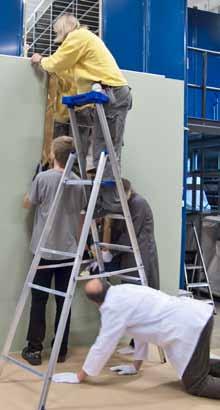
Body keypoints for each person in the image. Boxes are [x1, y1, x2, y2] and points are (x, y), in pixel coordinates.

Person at [31, 14, 132, 215]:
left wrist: (40, 60)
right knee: (101, 151)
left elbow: (56, 63)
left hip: (112, 94)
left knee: (106, 150)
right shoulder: (84, 42)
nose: (57, 37)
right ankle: (101, 201)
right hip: (109, 95)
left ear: (63, 29)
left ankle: (110, 203)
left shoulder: (77, 38)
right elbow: (67, 73)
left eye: (57, 33)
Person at [52, 279, 220, 400]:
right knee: (199, 362)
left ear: (95, 303)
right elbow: (140, 330)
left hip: (189, 327)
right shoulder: (124, 290)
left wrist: (79, 376)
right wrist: (135, 365)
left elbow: (103, 345)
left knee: (197, 383)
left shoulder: (112, 308)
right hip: (197, 313)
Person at [22, 136, 86, 365]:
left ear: (52, 155)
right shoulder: (79, 182)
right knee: (63, 301)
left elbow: (27, 203)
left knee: (38, 300)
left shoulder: (43, 178)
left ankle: (34, 349)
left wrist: (34, 180)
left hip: (44, 250)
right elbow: (80, 217)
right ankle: (60, 350)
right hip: (68, 252)